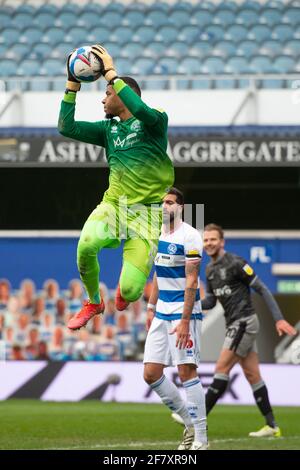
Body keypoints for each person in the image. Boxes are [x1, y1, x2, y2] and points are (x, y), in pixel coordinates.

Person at [58, 44, 174, 331]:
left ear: (124, 96)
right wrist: (72, 85)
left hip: (148, 215)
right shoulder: (107, 130)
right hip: (114, 207)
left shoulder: (154, 121)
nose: (103, 100)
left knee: (132, 292)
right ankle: (94, 301)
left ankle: (125, 290)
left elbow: (139, 109)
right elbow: (66, 127)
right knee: (86, 245)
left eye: (107, 94)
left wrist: (111, 74)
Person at [172, 223, 297, 437]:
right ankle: (272, 426)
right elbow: (212, 301)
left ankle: (194, 419)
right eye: (206, 240)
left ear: (222, 242)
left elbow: (263, 289)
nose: (209, 243)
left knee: (221, 368)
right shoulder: (210, 269)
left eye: (213, 239)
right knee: (252, 375)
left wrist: (278, 319)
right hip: (233, 324)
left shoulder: (236, 263)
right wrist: (192, 305)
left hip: (244, 321)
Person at [144, 188, 208, 451]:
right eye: (162, 203)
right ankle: (188, 423)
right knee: (150, 373)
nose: (164, 207)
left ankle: (202, 439)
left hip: (184, 312)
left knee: (186, 372)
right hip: (161, 311)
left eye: (169, 203)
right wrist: (150, 306)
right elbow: (158, 272)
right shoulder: (157, 234)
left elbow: (192, 280)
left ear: (181, 207)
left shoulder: (190, 235)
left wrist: (184, 321)